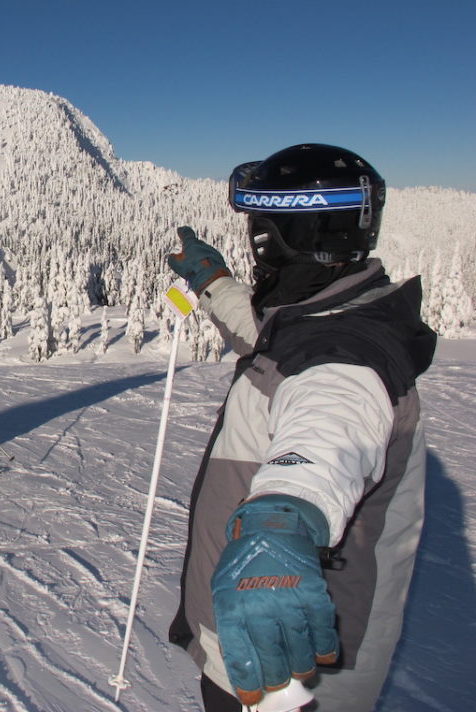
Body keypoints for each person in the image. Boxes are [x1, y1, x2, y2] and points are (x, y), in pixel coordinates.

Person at [165, 144, 437, 711]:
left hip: (287, 668)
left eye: (261, 228)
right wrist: (215, 283)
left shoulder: (344, 356)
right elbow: (268, 336)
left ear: (288, 234)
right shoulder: (332, 314)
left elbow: (329, 431)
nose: (256, 243)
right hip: (268, 644)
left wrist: (281, 519)